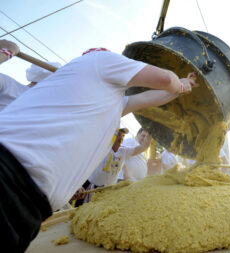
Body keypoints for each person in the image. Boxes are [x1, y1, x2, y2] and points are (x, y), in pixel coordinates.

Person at [0, 40, 199, 252]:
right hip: (7, 175)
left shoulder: (111, 101)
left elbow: (149, 97)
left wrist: (182, 87)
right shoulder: (100, 60)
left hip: (29, 209)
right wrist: (178, 83)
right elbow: (164, 79)